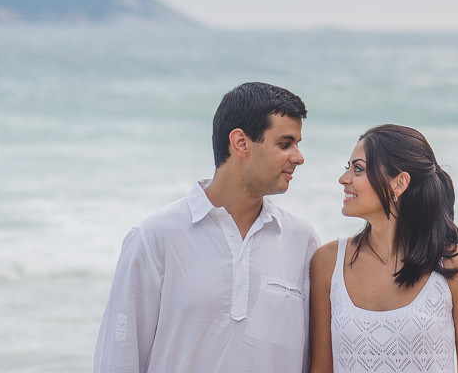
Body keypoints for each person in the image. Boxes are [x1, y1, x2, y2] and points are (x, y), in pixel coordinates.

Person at [94, 82, 321, 373]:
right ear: (241, 143)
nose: (299, 157)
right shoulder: (154, 238)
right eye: (285, 144)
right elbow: (118, 357)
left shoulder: (302, 241)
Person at [309, 124, 458, 373]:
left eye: (358, 169)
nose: (344, 179)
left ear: (400, 182)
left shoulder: (455, 263)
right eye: (347, 168)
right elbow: (320, 368)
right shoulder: (327, 262)